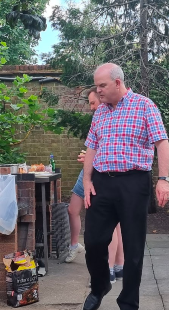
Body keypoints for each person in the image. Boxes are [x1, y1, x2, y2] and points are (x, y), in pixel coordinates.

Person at [80, 63, 169, 310]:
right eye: (97, 86)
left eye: (102, 86)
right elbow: (92, 147)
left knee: (132, 247)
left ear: (118, 83)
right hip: (102, 183)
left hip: (133, 183)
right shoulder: (100, 113)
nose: (98, 91)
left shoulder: (144, 106)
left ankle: (128, 305)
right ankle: (99, 287)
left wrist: (163, 180)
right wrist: (86, 180)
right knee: (94, 241)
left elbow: (162, 143)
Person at [66, 88, 125, 284]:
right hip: (89, 173)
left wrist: (91, 160)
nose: (92, 107)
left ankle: (110, 269)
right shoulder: (100, 117)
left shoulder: (112, 115)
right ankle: (116, 267)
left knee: (111, 224)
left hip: (100, 175)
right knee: (110, 223)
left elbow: (112, 153)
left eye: (93, 102)